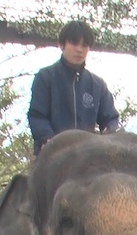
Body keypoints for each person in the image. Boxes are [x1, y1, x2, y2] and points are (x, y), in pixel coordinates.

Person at [27, 20, 120, 156]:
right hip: (52, 156)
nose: (79, 49)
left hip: (88, 156)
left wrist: (108, 132)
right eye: (74, 43)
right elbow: (37, 116)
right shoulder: (45, 77)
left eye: (84, 45)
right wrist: (48, 141)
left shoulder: (97, 84)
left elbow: (111, 117)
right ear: (62, 44)